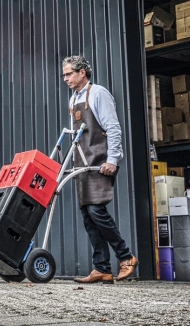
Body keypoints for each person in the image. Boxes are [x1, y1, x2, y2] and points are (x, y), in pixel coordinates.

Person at [62, 55, 138, 283]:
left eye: (69, 74)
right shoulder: (74, 98)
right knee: (88, 215)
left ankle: (126, 257)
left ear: (82, 72)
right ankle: (102, 268)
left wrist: (113, 159)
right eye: (64, 75)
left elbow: (113, 128)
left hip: (100, 162)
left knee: (96, 211)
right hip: (82, 164)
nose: (65, 78)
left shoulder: (98, 94)